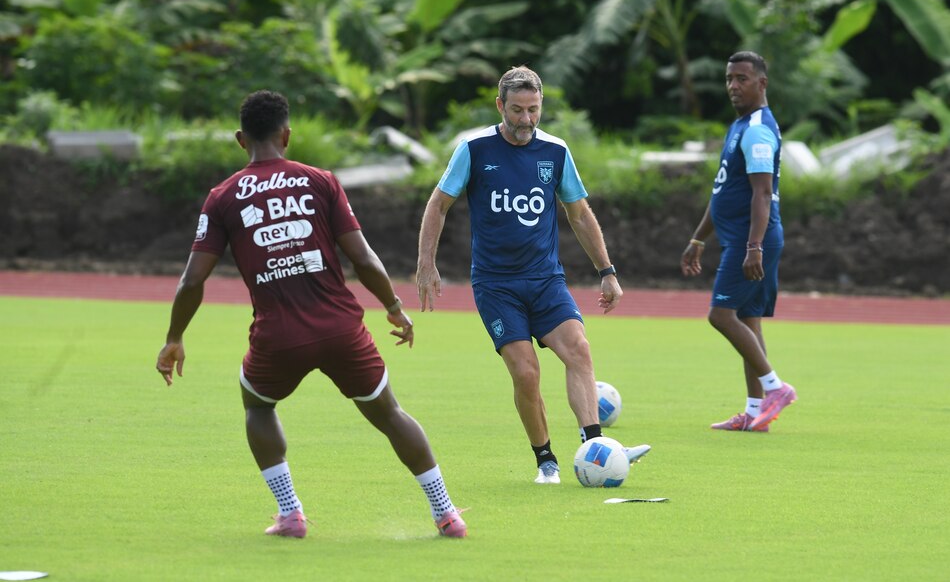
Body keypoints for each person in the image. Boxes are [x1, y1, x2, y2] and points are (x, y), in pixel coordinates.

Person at [154, 90, 466, 538]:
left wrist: (174, 338)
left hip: (278, 337)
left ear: (241, 139)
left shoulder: (222, 197)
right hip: (342, 329)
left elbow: (192, 281)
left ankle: (291, 514)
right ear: (287, 134)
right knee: (390, 414)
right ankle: (447, 514)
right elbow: (363, 259)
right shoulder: (319, 181)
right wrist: (395, 308)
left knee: (257, 406)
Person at [416, 66, 651, 484]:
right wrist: (426, 263)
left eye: (534, 110)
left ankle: (595, 448)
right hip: (496, 285)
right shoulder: (474, 149)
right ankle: (546, 460)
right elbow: (438, 204)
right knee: (526, 373)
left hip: (545, 280)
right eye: (518, 110)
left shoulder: (556, 151)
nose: (526, 120)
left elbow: (579, 214)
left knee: (578, 349)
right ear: (500, 105)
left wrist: (607, 271)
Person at [680, 51, 797, 432]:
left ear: (762, 83)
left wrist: (754, 246)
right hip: (739, 239)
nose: (733, 86)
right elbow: (723, 193)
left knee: (720, 315)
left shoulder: (759, 129)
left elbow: (762, 194)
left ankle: (775, 388)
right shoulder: (741, 125)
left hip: (750, 242)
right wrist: (699, 238)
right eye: (729, 78)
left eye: (742, 79)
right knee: (748, 321)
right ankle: (753, 412)